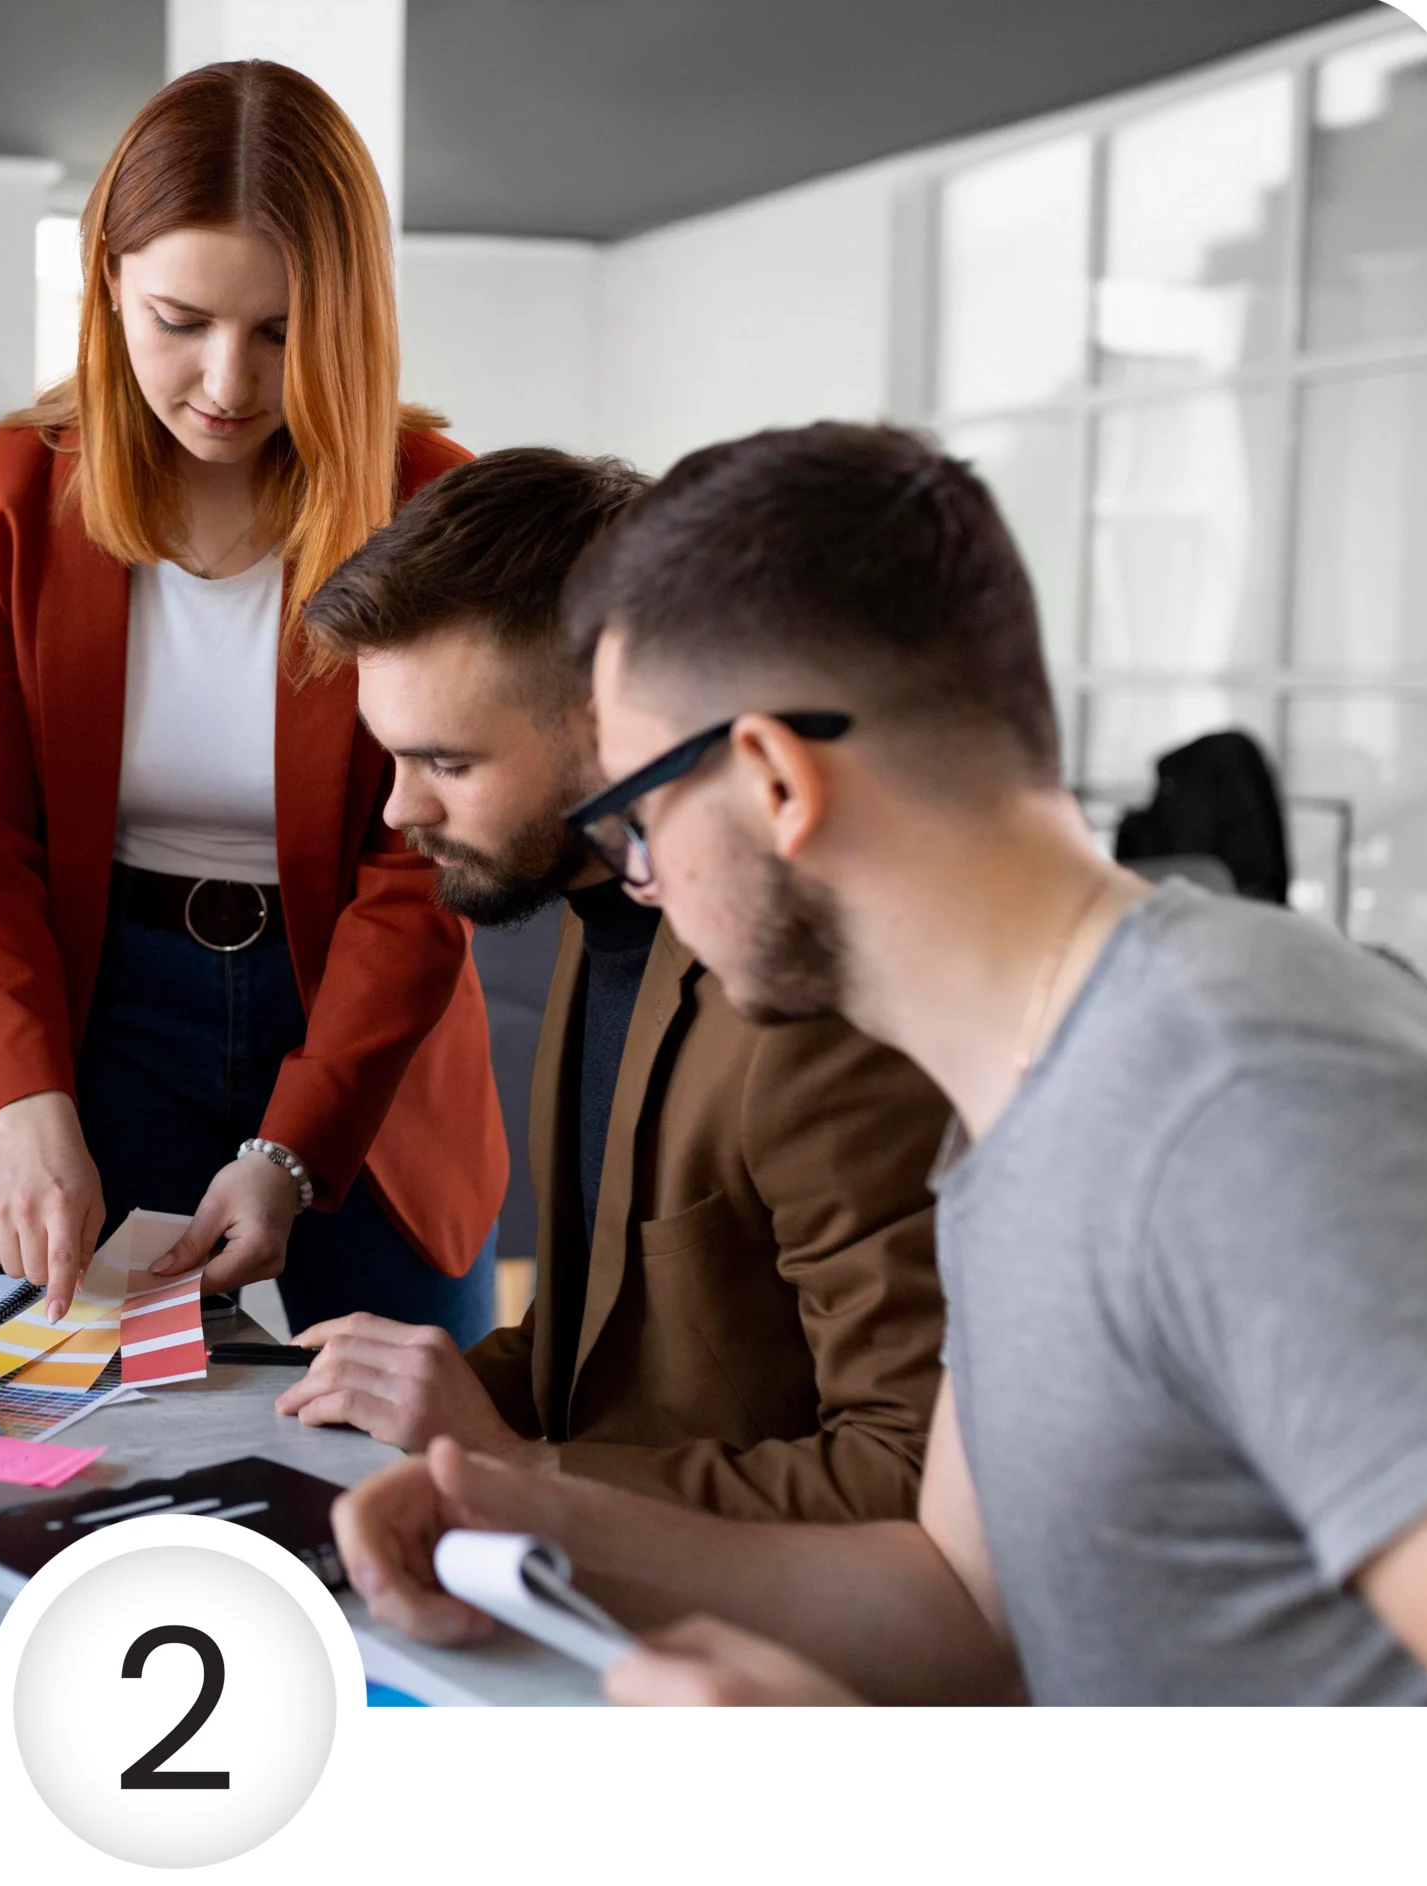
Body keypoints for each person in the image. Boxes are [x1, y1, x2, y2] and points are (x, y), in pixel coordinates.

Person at [332, 422, 1427, 1709]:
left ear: (771, 780)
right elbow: (964, 1603)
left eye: (638, 823)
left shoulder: (1244, 1104)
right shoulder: (1019, 1104)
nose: (639, 877)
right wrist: (521, 1511)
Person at [0, 59, 506, 1334]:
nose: (228, 382)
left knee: (400, 1466)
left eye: (281, 331)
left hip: (366, 1050)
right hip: (98, 1029)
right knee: (98, 1463)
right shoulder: (2, 497)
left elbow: (422, 861)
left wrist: (294, 1147)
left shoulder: (431, 499)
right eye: (180, 320)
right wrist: (27, 1109)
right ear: (106, 286)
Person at [279, 448, 948, 1526]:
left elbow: (907, 1479)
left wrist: (518, 1472)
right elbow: (598, 1343)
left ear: (610, 723)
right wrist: (405, 1393)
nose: (399, 811)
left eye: (446, 764)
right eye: (389, 759)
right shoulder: (599, 918)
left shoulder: (805, 1013)